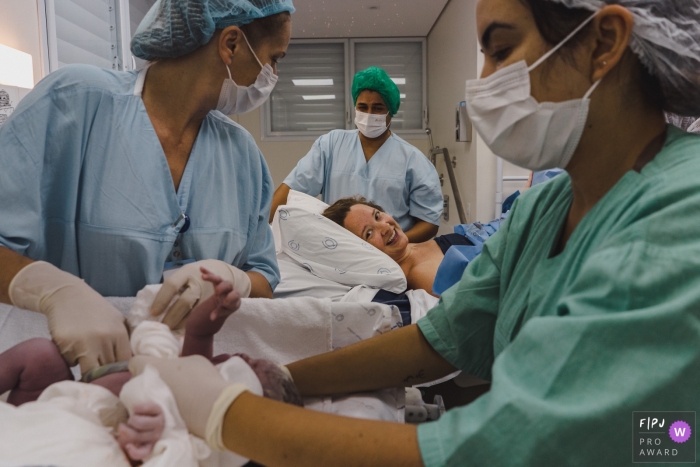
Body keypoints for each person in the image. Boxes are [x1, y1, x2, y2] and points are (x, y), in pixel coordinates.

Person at [130, 0, 700, 465]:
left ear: (603, 43)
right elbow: (440, 340)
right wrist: (280, 379)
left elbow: (505, 448)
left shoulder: (681, 214)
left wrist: (227, 412)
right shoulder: (545, 208)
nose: (484, 82)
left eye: (500, 49)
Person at [0, 0, 295, 375]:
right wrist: (52, 291)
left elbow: (264, 278)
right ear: (231, 44)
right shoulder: (73, 103)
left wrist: (231, 278)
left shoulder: (243, 157)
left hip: (191, 384)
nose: (271, 74)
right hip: (68, 372)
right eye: (274, 58)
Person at [0, 268, 301, 461]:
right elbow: (199, 330)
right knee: (41, 355)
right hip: (60, 395)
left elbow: (170, 454)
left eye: (251, 367)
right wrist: (218, 308)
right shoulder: (196, 369)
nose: (245, 356)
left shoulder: (193, 422)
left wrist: (151, 435)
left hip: (82, 422)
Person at [270, 66, 443, 243]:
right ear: (354, 107)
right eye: (362, 107)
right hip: (338, 248)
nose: (369, 114)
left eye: (377, 108)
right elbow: (291, 191)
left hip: (391, 256)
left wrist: (392, 243)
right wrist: (262, 229)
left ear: (391, 111)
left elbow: (429, 222)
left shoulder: (413, 160)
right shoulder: (330, 145)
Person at [321, 196, 485, 296]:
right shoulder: (421, 274)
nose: (385, 227)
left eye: (377, 216)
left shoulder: (412, 249)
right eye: (369, 233)